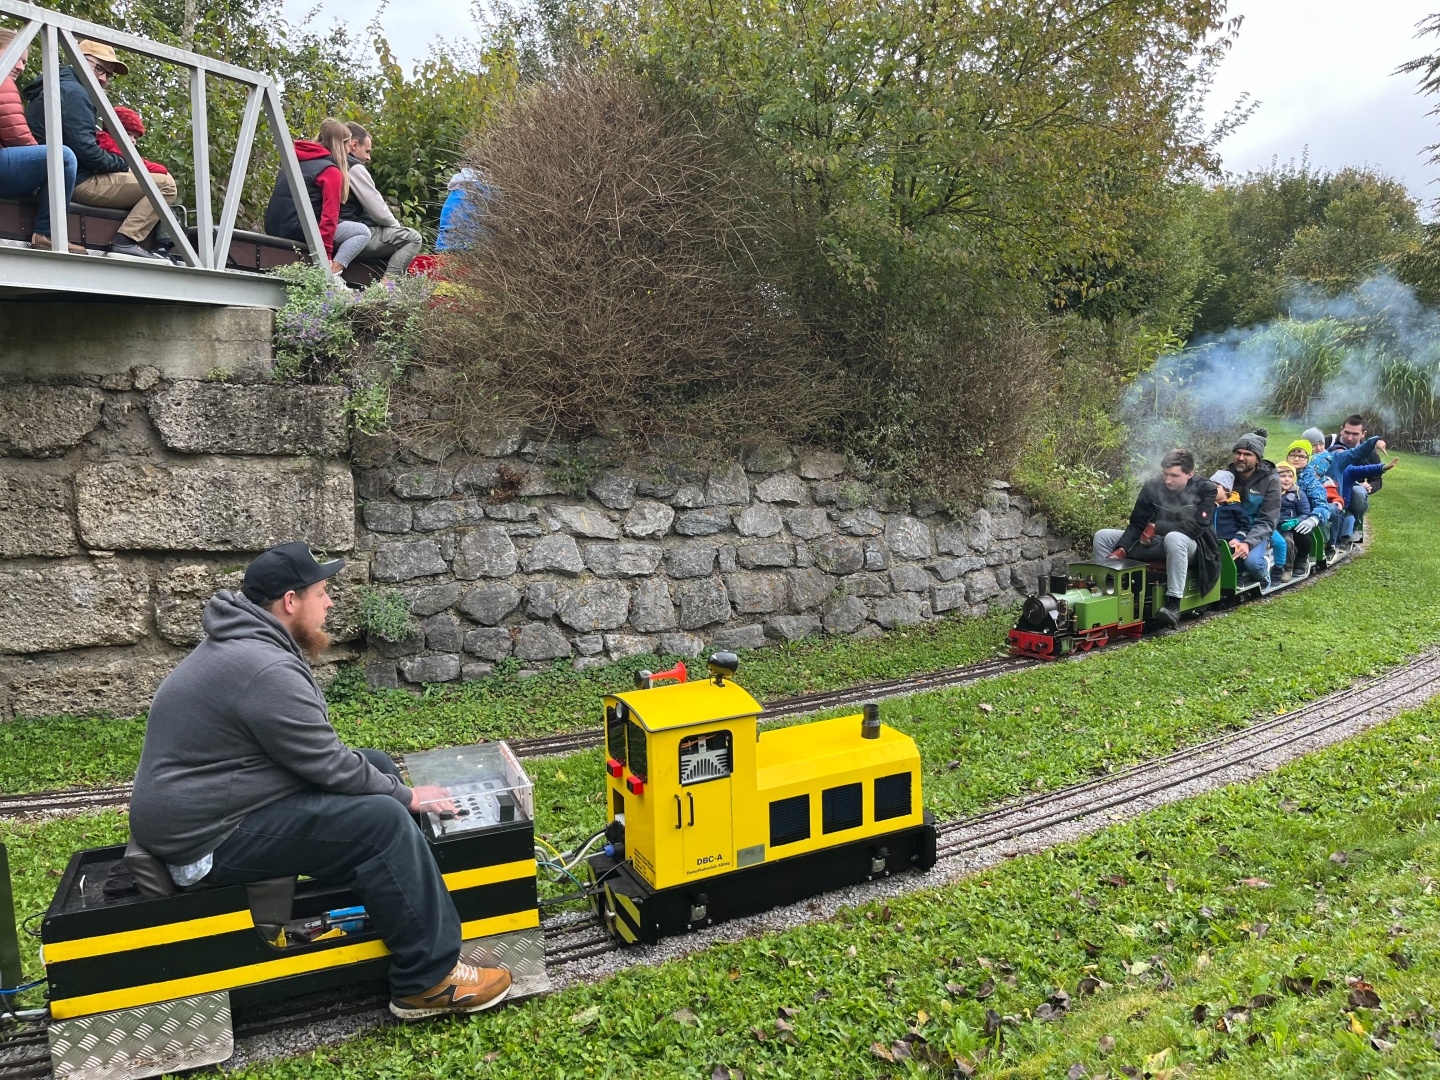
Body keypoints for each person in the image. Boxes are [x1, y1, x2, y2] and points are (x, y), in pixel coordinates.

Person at [128, 542, 513, 1020]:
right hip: (204, 843)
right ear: (290, 601)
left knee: (376, 766)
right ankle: (427, 981)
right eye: (323, 592)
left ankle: (400, 914)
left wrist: (389, 784)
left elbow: (320, 758)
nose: (329, 603)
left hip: (213, 812)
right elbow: (327, 764)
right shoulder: (262, 666)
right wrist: (411, 796)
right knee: (383, 820)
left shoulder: (244, 643)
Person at [22, 39, 177, 260]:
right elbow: (87, 151)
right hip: (74, 181)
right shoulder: (75, 92)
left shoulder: (60, 84)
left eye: (108, 75)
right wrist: (124, 163)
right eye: (99, 69)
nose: (104, 79)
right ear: (79, 62)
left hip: (52, 178)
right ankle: (126, 241)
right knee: (166, 184)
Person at [1092, 448, 1218, 629]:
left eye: (1174, 476)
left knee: (1174, 538)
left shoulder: (1206, 489)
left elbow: (1196, 527)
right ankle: (1108, 593)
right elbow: (1137, 523)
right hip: (1158, 543)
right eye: (1165, 474)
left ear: (1190, 473)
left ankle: (1173, 605)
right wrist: (1122, 549)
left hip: (1195, 547)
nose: (1168, 480)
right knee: (1103, 536)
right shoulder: (1153, 485)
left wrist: (1157, 527)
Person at [0, 27, 79, 251]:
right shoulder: (2, 80)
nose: (20, 66)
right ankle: (46, 233)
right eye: (16, 57)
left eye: (24, 62)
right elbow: (17, 136)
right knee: (62, 158)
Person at [264, 117, 370, 275]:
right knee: (362, 232)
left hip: (273, 227)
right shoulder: (330, 171)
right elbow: (329, 217)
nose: (349, 152)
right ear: (341, 145)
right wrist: (325, 255)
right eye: (348, 146)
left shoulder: (294, 161)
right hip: (300, 230)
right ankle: (332, 274)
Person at [342, 122, 422, 279]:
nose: (368, 157)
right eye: (367, 151)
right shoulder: (354, 167)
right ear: (354, 145)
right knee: (412, 238)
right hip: (349, 231)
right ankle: (387, 289)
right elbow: (380, 212)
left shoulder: (329, 162)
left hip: (329, 228)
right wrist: (397, 229)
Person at [1226, 428, 1280, 589]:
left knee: (1252, 564)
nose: (1241, 458)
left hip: (1257, 530)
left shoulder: (1271, 480)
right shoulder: (1227, 476)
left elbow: (1267, 520)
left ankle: (1266, 567)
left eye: (1247, 454)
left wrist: (1248, 543)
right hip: (1231, 528)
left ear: (1258, 459)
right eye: (1238, 453)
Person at [1324, 414, 1384, 542]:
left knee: (1358, 493)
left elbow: (1377, 480)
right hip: (1327, 485)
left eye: (1355, 434)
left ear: (1363, 434)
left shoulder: (1371, 453)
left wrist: (1370, 486)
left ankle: (1355, 522)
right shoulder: (1327, 442)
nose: (1349, 438)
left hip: (1353, 488)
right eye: (1346, 432)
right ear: (1341, 429)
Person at [1281, 439, 1327, 577]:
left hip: (1302, 517)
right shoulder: (1277, 473)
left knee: (1301, 534)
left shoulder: (1311, 481)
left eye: (1301, 456)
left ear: (1308, 458)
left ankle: (1302, 558)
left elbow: (1322, 504)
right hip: (1278, 516)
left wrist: (1313, 519)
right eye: (1292, 454)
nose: (1296, 458)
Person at [1334, 456, 1398, 549]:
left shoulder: (1348, 469)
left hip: (1341, 503)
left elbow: (1366, 469)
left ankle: (1343, 540)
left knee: (1348, 518)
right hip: (1327, 500)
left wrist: (1383, 468)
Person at [1271, 462, 1311, 581]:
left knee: (1287, 540)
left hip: (1288, 525)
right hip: (1272, 525)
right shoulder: (1271, 491)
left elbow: (1305, 512)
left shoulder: (1298, 493)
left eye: (1290, 476)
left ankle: (1288, 568)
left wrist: (1295, 521)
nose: (1287, 479)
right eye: (1283, 476)